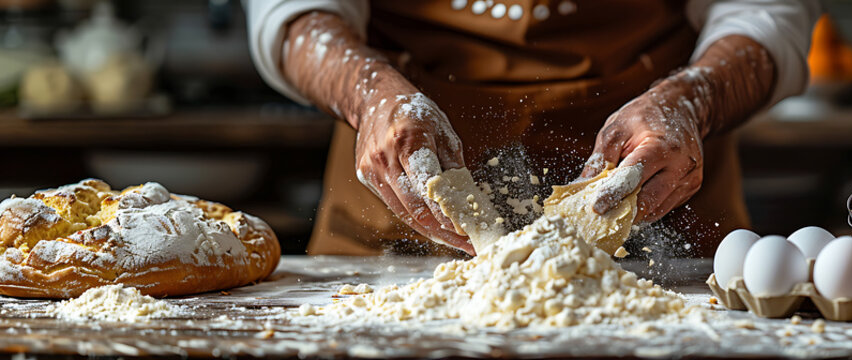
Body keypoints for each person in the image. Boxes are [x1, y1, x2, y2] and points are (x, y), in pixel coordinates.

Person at [246, 0, 820, 257]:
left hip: (662, 226)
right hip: (390, 232)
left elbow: (766, 15)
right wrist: (369, 93)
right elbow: (293, 10)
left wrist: (690, 100)